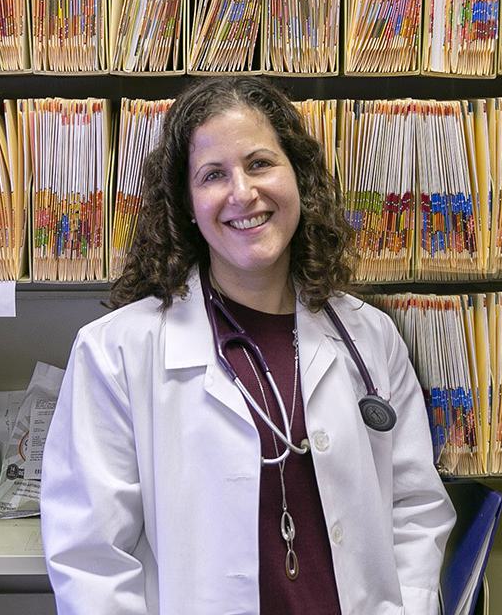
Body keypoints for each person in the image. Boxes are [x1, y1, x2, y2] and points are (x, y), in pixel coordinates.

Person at [40, 77, 456, 615]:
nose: (242, 193)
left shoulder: (369, 336)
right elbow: (92, 559)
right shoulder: (117, 352)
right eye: (213, 175)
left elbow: (416, 507)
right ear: (187, 204)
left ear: (298, 179)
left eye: (260, 163)